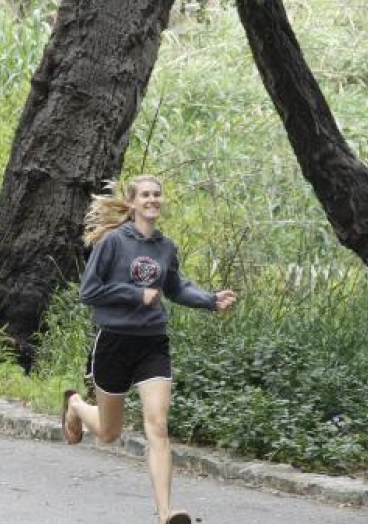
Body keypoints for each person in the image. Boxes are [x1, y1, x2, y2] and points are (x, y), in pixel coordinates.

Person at [62, 175, 237, 524]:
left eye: (157, 195)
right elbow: (88, 292)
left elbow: (175, 287)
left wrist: (210, 300)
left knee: (157, 425)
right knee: (110, 433)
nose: (153, 200)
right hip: (113, 341)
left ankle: (165, 513)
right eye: (145, 195)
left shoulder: (165, 246)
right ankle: (76, 406)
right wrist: (133, 294)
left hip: (152, 343)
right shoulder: (111, 243)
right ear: (131, 202)